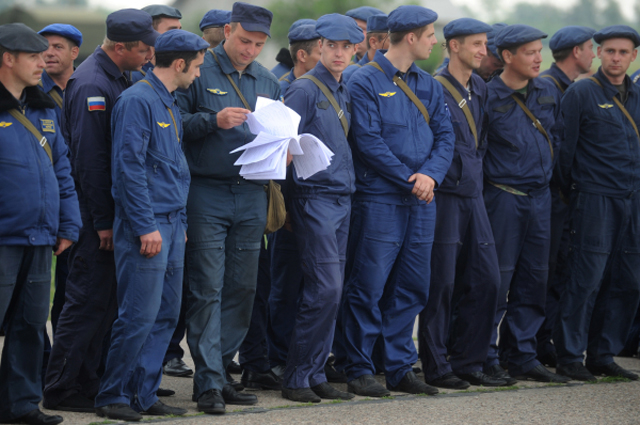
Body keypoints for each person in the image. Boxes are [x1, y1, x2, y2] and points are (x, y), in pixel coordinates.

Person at [43, 9, 157, 413]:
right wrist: (104, 223)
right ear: (120, 47)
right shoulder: (94, 82)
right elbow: (90, 163)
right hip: (94, 218)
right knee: (85, 302)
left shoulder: (117, 75)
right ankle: (60, 387)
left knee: (104, 304)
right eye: (143, 49)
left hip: (104, 215)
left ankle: (88, 379)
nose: (148, 56)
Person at [94, 29, 208, 422]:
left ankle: (143, 393)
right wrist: (145, 226)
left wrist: (183, 221)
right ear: (179, 64)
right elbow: (128, 170)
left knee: (165, 314)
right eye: (195, 67)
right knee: (139, 315)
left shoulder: (169, 102)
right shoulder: (137, 101)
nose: (197, 74)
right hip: (149, 226)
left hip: (173, 223)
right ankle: (112, 396)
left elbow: (173, 169)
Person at [341, 5, 454, 397]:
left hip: (421, 200)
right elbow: (368, 142)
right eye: (429, 35)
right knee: (368, 285)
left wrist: (431, 176)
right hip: (381, 200)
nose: (434, 41)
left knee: (412, 286)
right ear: (410, 37)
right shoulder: (364, 81)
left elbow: (445, 137)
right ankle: (358, 366)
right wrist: (412, 180)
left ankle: (399, 367)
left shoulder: (430, 85)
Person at [176, 1, 280, 414]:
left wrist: (286, 151)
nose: (249, 50)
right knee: (207, 288)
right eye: (243, 40)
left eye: (257, 44)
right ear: (228, 30)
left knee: (242, 288)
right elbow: (174, 124)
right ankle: (207, 384)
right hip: (207, 192)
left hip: (253, 194)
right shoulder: (200, 70)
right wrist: (212, 121)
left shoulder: (269, 81)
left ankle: (222, 371)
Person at [278, 13, 363, 404]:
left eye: (348, 47)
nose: (340, 53)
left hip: (341, 198)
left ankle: (312, 372)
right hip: (313, 199)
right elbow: (282, 148)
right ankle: (296, 376)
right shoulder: (304, 89)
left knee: (332, 289)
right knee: (324, 288)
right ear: (321, 47)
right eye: (333, 46)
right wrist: (290, 205)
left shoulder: (341, 88)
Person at [418, 17, 506, 390]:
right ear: (453, 46)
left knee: (487, 279)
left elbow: (479, 141)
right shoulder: (434, 87)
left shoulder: (482, 87)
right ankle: (437, 365)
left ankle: (470, 360)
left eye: (485, 44)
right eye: (476, 44)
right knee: (442, 284)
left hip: (474, 194)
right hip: (446, 197)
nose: (484, 51)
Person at [0, 22, 81, 425]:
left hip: (39, 236)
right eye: (33, 56)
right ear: (7, 58)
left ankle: (21, 406)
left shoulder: (45, 108)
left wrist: (68, 225)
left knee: (31, 325)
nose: (42, 63)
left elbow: (62, 170)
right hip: (4, 237)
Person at [482, 24, 568, 384]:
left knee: (535, 280)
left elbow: (559, 138)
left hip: (541, 198)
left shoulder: (547, 90)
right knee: (495, 282)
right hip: (503, 197)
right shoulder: (487, 95)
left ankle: (522, 355)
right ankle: (484, 355)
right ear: (506, 56)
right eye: (530, 52)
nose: (538, 58)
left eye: (539, 51)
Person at [554, 25, 640, 382]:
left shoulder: (636, 95)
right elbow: (564, 152)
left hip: (632, 199)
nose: (616, 58)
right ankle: (570, 356)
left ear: (633, 56)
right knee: (585, 279)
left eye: (623, 52)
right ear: (599, 53)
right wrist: (574, 194)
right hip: (594, 198)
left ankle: (603, 354)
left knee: (627, 280)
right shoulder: (582, 92)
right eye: (609, 51)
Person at [535, 25, 595, 368]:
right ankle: (542, 345)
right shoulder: (549, 86)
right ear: (576, 52)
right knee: (547, 272)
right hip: (554, 196)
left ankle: (548, 342)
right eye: (590, 48)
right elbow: (555, 148)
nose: (594, 54)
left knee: (557, 271)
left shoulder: (568, 86)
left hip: (561, 195)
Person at [266, 22, 321, 382]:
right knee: (284, 283)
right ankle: (276, 355)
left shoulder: (325, 88)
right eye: (322, 50)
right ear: (302, 56)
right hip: (290, 202)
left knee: (311, 283)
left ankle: (302, 355)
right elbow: (274, 154)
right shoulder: (282, 90)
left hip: (319, 201)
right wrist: (282, 208)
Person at [36, 22, 81, 380]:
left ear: (74, 53)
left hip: (85, 202)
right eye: (44, 47)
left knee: (73, 289)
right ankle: (45, 364)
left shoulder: (87, 86)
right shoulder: (32, 91)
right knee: (44, 291)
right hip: (50, 202)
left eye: (57, 46)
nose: (49, 52)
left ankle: (65, 364)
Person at [129, 5, 182, 84]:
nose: (180, 36)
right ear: (151, 33)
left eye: (180, 30)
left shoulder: (179, 72)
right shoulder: (131, 76)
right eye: (172, 31)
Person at [341, 14, 389, 84]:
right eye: (392, 41)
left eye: (361, 29)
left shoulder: (402, 72)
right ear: (373, 42)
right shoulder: (349, 75)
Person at [278, 23, 320, 94]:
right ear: (302, 56)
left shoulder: (331, 88)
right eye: (321, 54)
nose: (327, 59)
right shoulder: (280, 92)